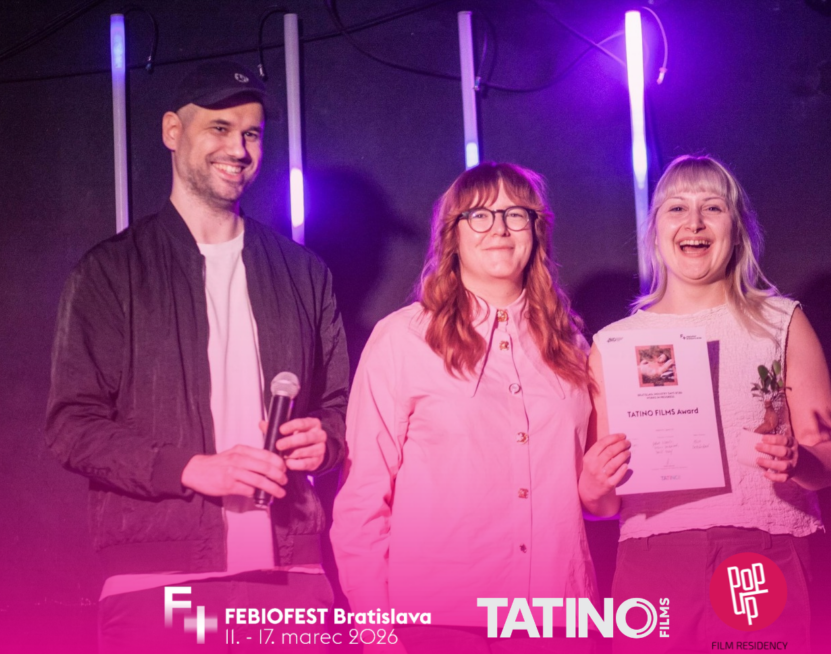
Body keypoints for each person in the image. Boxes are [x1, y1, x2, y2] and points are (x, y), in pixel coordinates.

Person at [45, 61, 349, 652]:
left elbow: (341, 406)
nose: (238, 149)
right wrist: (189, 468)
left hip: (293, 577)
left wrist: (328, 440)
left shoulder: (304, 273)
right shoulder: (111, 271)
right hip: (160, 584)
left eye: (252, 133)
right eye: (219, 128)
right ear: (172, 131)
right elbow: (71, 426)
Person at [580, 155, 831, 653]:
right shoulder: (613, 344)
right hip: (653, 561)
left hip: (761, 555)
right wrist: (593, 485)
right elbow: (604, 503)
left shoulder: (782, 322)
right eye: (677, 208)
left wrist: (799, 461)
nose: (694, 222)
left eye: (713, 207)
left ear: (737, 228)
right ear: (655, 230)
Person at [330, 163, 599, 653]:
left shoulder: (572, 347)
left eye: (515, 214)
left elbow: (589, 489)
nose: (499, 228)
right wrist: (374, 630)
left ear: (536, 230)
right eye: (479, 215)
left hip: (557, 618)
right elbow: (362, 497)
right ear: (451, 234)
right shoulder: (403, 339)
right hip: (439, 620)